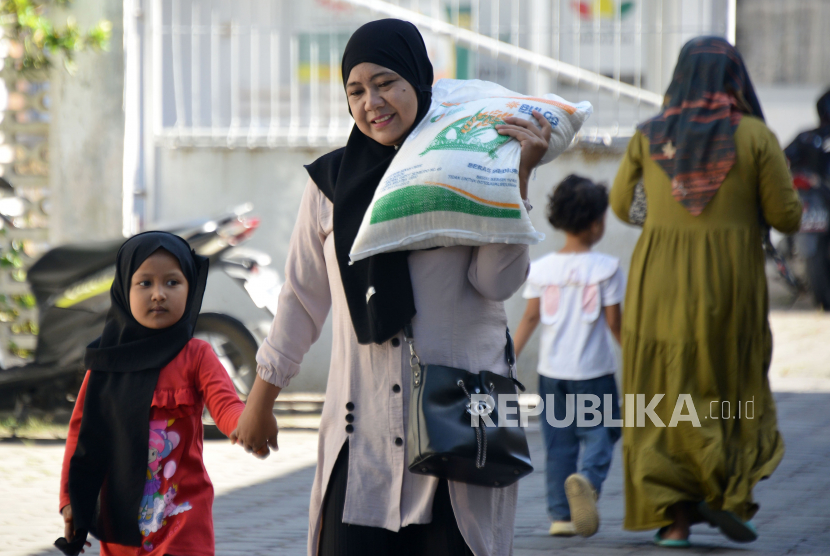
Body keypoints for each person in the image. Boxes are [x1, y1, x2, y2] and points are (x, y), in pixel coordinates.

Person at [230, 18, 551, 556]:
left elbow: (496, 282)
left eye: (385, 83)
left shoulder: (466, 163)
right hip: (363, 437)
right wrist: (260, 402)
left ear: (418, 80)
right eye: (355, 90)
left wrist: (514, 180)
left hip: (458, 427)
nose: (371, 102)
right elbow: (302, 299)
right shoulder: (330, 185)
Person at [609, 37, 802, 547]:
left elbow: (623, 206)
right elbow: (785, 215)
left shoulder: (647, 136)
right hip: (729, 279)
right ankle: (725, 494)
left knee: (660, 388)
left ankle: (673, 519)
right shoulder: (756, 136)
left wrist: (668, 216)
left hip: (658, 279)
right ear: (735, 79)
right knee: (724, 381)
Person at [56, 232, 248, 556]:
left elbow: (226, 403)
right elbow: (80, 435)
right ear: (123, 290)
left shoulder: (196, 355)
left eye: (172, 283)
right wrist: (71, 501)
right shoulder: (105, 363)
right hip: (122, 527)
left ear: (190, 289)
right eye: (144, 283)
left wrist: (245, 425)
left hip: (182, 521)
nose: (158, 294)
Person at [513, 175, 624, 539]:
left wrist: (508, 358)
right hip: (594, 373)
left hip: (551, 373)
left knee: (558, 443)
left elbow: (530, 318)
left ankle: (560, 516)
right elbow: (614, 325)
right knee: (603, 432)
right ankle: (588, 482)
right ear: (596, 224)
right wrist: (638, 359)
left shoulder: (542, 269)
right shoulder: (606, 267)